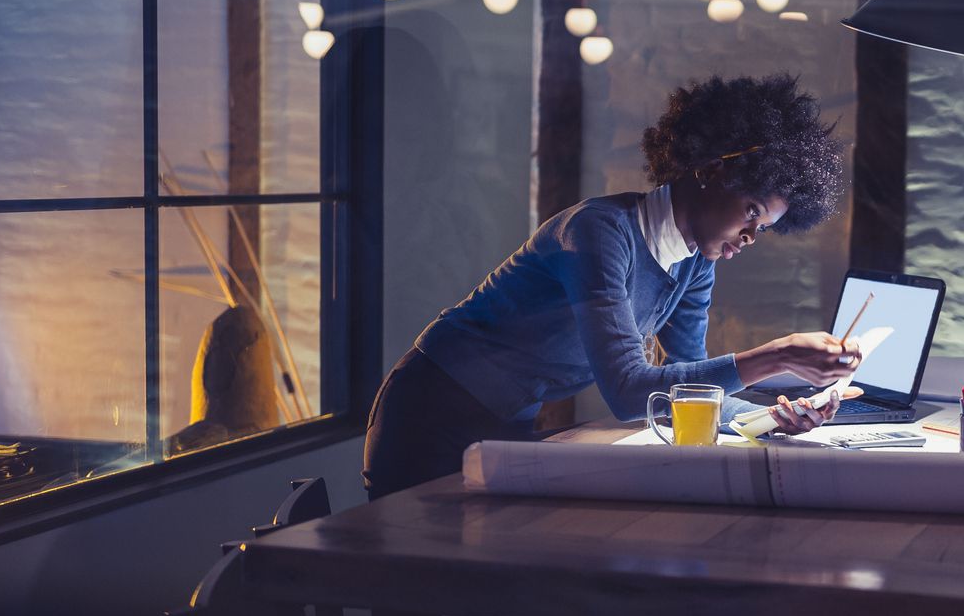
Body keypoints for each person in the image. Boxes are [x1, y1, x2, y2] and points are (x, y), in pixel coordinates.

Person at [363, 73, 862, 499]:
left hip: (508, 424)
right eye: (752, 212)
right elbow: (628, 392)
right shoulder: (598, 231)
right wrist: (776, 357)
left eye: (765, 227)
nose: (752, 236)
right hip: (430, 413)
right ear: (712, 170)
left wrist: (774, 416)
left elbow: (689, 393)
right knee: (420, 589)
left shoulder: (694, 264)